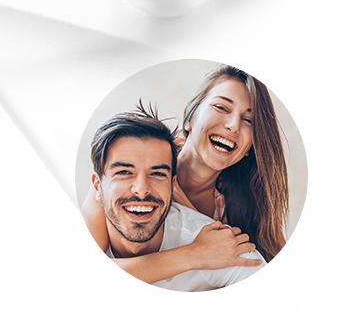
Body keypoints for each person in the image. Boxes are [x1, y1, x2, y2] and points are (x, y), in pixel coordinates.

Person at [81, 65, 289, 284]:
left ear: (251, 147)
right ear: (190, 118)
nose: (233, 126)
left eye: (248, 120)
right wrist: (195, 254)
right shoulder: (132, 170)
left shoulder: (246, 203)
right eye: (221, 107)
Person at [88, 103, 264, 291]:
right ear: (97, 185)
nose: (141, 189)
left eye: (157, 174)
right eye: (124, 172)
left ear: (172, 184)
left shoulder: (219, 247)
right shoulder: (90, 224)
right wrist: (193, 255)